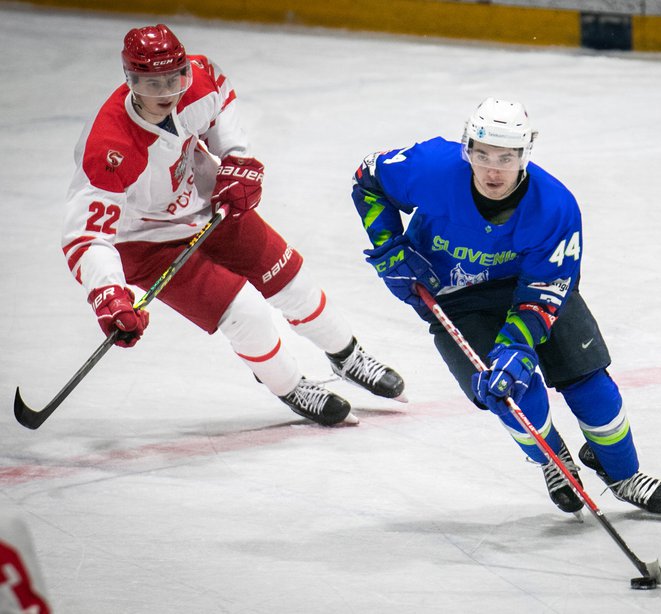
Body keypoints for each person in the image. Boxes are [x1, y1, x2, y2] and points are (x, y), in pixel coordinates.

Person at [61, 23, 404, 426]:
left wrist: (237, 159)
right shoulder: (108, 147)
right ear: (132, 81)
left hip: (209, 206)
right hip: (148, 242)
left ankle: (347, 356)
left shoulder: (197, 81)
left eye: (175, 79)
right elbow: (86, 237)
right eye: (154, 85)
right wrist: (109, 296)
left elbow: (219, 99)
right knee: (247, 314)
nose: (167, 94)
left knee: (294, 283)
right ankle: (291, 385)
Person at [350, 98, 661, 515]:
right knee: (509, 393)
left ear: (526, 154)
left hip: (531, 286)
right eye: (483, 155)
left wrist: (516, 345)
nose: (492, 170)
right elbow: (369, 180)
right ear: (466, 148)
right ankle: (553, 459)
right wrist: (388, 245)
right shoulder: (430, 167)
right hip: (457, 298)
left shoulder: (555, 206)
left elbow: (544, 292)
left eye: (506, 158)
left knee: (588, 382)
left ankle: (623, 473)